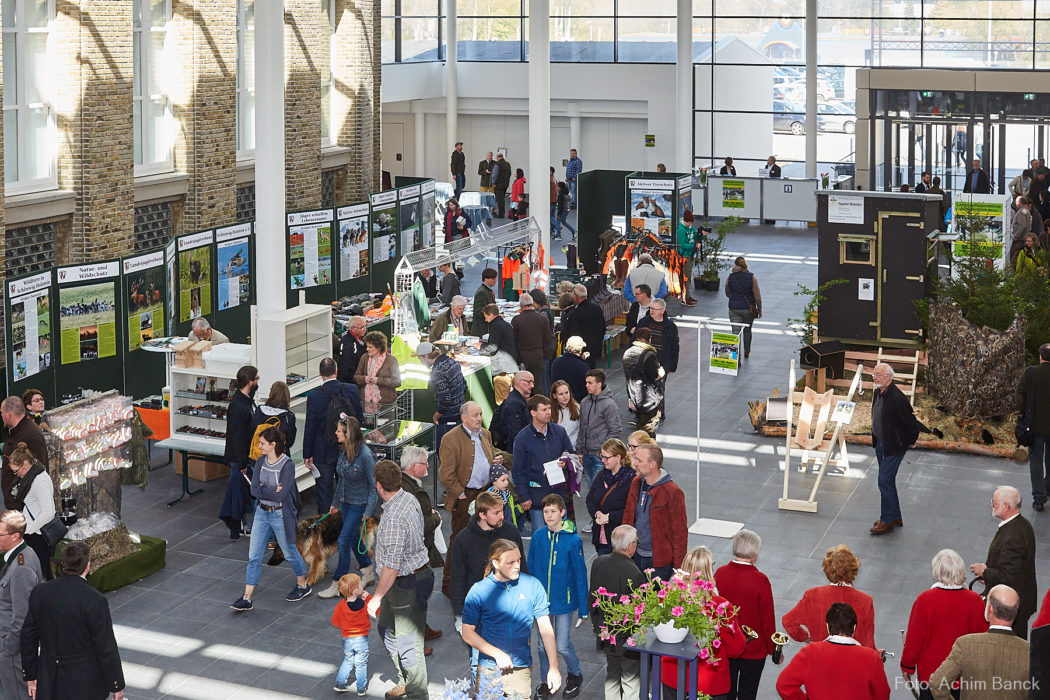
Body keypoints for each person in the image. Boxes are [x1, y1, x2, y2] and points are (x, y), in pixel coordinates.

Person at [20, 542, 125, 700]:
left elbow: (28, 636)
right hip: (85, 683)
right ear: (87, 565)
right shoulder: (95, 600)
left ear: (63, 563)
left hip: (49, 679)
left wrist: (30, 675)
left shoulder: (40, 592)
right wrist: (116, 684)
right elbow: (106, 646)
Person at [366, 460, 433, 700]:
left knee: (408, 646)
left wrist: (377, 597)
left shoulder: (393, 517)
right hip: (412, 577)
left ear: (378, 485)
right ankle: (406, 679)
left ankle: (417, 694)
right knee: (386, 629)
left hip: (406, 584)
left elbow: (392, 566)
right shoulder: (407, 497)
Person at [461, 539, 562, 697]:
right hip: (489, 668)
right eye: (510, 562)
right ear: (495, 563)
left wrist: (554, 667)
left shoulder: (532, 585)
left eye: (519, 560)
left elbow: (546, 628)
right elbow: (467, 633)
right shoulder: (479, 591)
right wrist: (497, 654)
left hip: (520, 668)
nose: (517, 566)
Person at [230, 427, 312, 610]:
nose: (259, 447)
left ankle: (302, 585)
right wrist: (268, 490)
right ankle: (247, 597)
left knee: (290, 552)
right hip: (261, 512)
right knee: (254, 556)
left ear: (273, 445)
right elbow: (254, 490)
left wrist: (262, 489)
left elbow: (279, 496)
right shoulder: (260, 462)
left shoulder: (287, 465)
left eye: (262, 444)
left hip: (279, 514)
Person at [901, 549, 988, 700]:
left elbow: (914, 639)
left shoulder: (924, 600)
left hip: (930, 675)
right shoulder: (975, 601)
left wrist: (907, 666)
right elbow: (982, 640)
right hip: (962, 676)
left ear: (937, 571)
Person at [661, 546, 747, 700]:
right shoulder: (720, 606)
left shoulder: (667, 598)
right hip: (709, 683)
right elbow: (736, 649)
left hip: (673, 678)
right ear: (709, 571)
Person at [527, 495, 587, 699]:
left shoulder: (573, 540)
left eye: (553, 511)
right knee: (542, 646)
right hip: (541, 603)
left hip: (564, 602)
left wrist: (583, 608)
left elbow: (580, 574)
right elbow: (532, 568)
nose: (549, 515)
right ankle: (547, 681)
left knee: (561, 644)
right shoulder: (538, 537)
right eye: (545, 512)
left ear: (562, 512)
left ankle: (575, 673)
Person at [439, 401, 502, 596]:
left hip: (484, 493)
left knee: (486, 537)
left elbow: (486, 458)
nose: (478, 418)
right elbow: (446, 472)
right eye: (474, 415)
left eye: (480, 414)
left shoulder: (486, 434)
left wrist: (495, 459)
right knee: (459, 539)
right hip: (465, 497)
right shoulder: (451, 438)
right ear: (463, 418)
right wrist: (461, 492)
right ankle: (449, 584)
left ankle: (480, 579)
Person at [928, 585, 1031, 700]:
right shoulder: (1030, 652)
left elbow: (937, 684)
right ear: (1015, 614)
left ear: (989, 609)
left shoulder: (965, 645)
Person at [868, 362, 933, 535]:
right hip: (881, 442)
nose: (875, 377)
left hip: (894, 445)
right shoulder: (878, 393)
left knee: (884, 480)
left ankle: (886, 520)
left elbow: (910, 422)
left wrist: (911, 440)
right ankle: (895, 516)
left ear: (889, 378)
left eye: (879, 375)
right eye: (874, 374)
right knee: (888, 481)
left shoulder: (897, 398)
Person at [775, 603, 890, 700]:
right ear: (854, 627)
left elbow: (784, 686)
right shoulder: (872, 658)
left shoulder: (810, 652)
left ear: (827, 626)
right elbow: (883, 695)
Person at [318, 416, 378, 598]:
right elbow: (342, 480)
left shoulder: (366, 456)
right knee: (352, 539)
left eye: (338, 430)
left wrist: (367, 512)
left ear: (348, 433)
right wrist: (336, 503)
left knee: (343, 541)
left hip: (359, 505)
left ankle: (338, 583)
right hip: (346, 502)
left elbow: (374, 486)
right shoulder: (345, 451)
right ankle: (367, 572)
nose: (335, 433)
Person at [715, 529, 778, 700]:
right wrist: (773, 649)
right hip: (754, 649)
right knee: (748, 693)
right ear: (754, 555)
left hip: (727, 645)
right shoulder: (760, 580)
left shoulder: (720, 573)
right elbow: (767, 619)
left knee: (727, 692)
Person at [449, 491, 528, 627]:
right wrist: (460, 615)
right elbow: (457, 579)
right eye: (496, 513)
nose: (502, 516)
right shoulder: (463, 540)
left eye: (502, 511)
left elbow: (522, 567)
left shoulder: (511, 532)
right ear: (482, 514)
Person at [968, 486, 1038, 639]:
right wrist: (988, 576)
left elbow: (1008, 576)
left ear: (1006, 507)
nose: (992, 506)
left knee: (1011, 647)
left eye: (994, 503)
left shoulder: (1012, 536)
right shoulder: (1022, 525)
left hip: (1011, 605)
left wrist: (984, 572)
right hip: (1019, 597)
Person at [782, 544, 876, 649]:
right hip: (853, 660)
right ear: (853, 568)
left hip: (821, 657)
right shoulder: (865, 601)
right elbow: (869, 643)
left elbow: (788, 621)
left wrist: (805, 637)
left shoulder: (812, 595)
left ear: (827, 569)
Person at [589, 525, 643, 700]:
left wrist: (598, 626)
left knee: (612, 676)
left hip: (605, 632)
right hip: (626, 637)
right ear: (629, 546)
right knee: (630, 679)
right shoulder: (634, 572)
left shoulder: (598, 562)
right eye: (636, 541)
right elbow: (638, 610)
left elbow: (592, 597)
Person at [304, 357, 364, 515]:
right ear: (336, 372)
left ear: (319, 373)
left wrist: (307, 454)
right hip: (348, 449)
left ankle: (327, 529)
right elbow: (359, 418)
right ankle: (348, 524)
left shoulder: (315, 396)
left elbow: (310, 427)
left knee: (324, 493)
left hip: (322, 451)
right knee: (349, 490)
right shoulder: (351, 389)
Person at [622, 444, 687, 580]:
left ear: (653, 464)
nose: (635, 464)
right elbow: (628, 517)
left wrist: (678, 568)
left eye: (639, 460)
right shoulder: (636, 483)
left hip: (660, 562)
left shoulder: (672, 492)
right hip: (635, 555)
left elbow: (680, 533)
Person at [512, 395, 575, 532]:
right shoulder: (522, 438)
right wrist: (523, 496)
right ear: (533, 413)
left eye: (549, 408)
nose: (548, 412)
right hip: (536, 498)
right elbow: (518, 470)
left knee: (561, 537)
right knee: (541, 538)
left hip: (558, 495)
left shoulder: (559, 432)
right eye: (544, 409)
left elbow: (570, 453)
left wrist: (565, 461)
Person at [0, 511, 40, 700]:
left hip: (14, 650)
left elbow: (22, 616)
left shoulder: (21, 568)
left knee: (17, 694)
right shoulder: (21, 555)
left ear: (15, 536)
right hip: (14, 645)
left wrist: (8, 649)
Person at [218, 366, 259, 538]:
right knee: (240, 494)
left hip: (244, 457)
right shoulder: (238, 406)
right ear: (250, 382)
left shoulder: (246, 401)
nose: (258, 381)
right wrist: (242, 462)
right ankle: (241, 525)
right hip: (240, 459)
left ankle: (244, 524)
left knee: (242, 493)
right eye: (256, 379)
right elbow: (237, 437)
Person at [4, 444, 56, 581]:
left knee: (41, 573)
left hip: (38, 535)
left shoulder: (38, 481)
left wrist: (28, 530)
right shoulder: (32, 476)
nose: (16, 475)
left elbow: (48, 513)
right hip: (34, 532)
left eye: (16, 471)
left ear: (25, 465)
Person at [585, 439, 635, 556]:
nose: (603, 461)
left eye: (606, 458)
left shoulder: (631, 480)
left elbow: (632, 511)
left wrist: (609, 517)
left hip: (621, 540)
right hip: (601, 537)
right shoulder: (601, 475)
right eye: (602, 456)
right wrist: (597, 514)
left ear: (618, 457)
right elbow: (590, 499)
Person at [1018, 344, 1050, 512]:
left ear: (1040, 356)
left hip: (1035, 425)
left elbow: (1020, 394)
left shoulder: (1031, 372)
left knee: (1036, 461)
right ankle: (1049, 487)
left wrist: (1021, 414)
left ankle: (1039, 499)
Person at [416, 341, 466, 449]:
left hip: (448, 420)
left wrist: (436, 416)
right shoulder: (451, 361)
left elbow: (445, 400)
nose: (420, 362)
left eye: (420, 359)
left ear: (426, 356)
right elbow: (464, 385)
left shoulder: (437, 371)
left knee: (445, 454)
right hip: (459, 417)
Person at [578, 369, 623, 487]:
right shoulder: (584, 402)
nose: (586, 385)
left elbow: (615, 430)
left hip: (599, 457)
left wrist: (602, 452)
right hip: (586, 455)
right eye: (586, 382)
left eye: (590, 383)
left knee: (599, 489)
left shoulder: (609, 404)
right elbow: (582, 428)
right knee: (592, 489)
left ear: (599, 384)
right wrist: (580, 450)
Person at [1, 397, 48, 511]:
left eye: (2, 413)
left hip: (24, 507)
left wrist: (21, 505)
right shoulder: (16, 430)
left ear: (9, 414)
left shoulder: (31, 435)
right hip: (15, 503)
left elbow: (37, 473)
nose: (1, 416)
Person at [330, 572, 372, 695]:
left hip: (347, 639)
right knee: (361, 664)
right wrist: (368, 597)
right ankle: (361, 688)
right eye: (360, 585)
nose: (362, 586)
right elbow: (378, 609)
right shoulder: (364, 604)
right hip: (361, 639)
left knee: (348, 660)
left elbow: (335, 622)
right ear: (355, 591)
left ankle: (340, 684)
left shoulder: (340, 606)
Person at [622, 327, 665, 436]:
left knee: (640, 414)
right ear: (649, 339)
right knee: (648, 423)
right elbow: (655, 375)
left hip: (633, 391)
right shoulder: (648, 355)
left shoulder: (627, 352)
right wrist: (661, 373)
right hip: (648, 394)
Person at [511, 293, 556, 390]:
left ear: (521, 306)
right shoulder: (542, 319)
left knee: (523, 388)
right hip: (538, 358)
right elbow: (549, 339)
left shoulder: (516, 320)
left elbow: (513, 342)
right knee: (537, 386)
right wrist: (545, 354)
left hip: (523, 359)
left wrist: (517, 359)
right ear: (532, 303)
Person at [560, 283, 607, 368]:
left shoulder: (575, 313)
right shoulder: (597, 308)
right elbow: (603, 328)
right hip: (594, 350)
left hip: (580, 352)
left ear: (576, 296)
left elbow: (572, 334)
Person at [725, 256, 762, 360]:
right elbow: (757, 296)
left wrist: (733, 298)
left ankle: (735, 357)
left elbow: (727, 292)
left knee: (735, 334)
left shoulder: (731, 277)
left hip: (734, 309)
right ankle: (747, 351)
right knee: (747, 330)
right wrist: (759, 309)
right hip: (748, 309)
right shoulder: (752, 277)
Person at [354, 331, 401, 409]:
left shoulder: (391, 360)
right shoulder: (364, 358)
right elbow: (356, 377)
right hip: (366, 402)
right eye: (367, 346)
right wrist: (364, 378)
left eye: (370, 347)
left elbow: (397, 381)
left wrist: (379, 380)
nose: (367, 349)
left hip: (386, 404)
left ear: (379, 348)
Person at [635, 298, 680, 376]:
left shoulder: (670, 326)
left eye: (655, 309)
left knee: (658, 387)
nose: (652, 311)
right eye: (651, 308)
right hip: (644, 361)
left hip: (661, 362)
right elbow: (634, 341)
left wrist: (672, 366)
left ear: (662, 311)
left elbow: (674, 347)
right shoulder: (643, 322)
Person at [492, 371, 533, 449]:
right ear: (520, 382)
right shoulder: (515, 403)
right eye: (529, 382)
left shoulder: (516, 399)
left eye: (532, 382)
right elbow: (515, 433)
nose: (532, 385)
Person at [478, 304, 518, 376]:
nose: (485, 320)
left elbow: (493, 347)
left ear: (491, 315)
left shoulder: (496, 326)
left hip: (503, 367)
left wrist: (481, 346)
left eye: (486, 317)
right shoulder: (506, 324)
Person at [257, 381, 297, 450]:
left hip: (258, 454)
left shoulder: (259, 410)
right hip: (280, 456)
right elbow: (290, 441)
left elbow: (252, 431)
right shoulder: (288, 416)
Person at [551, 336, 589, 402]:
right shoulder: (582, 366)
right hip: (576, 403)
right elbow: (585, 390)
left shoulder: (556, 362)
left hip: (558, 401)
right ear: (580, 350)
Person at [337, 316, 368, 384]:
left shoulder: (360, 340)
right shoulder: (347, 345)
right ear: (353, 329)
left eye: (365, 326)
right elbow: (346, 368)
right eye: (361, 327)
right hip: (350, 384)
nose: (364, 329)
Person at [550, 380, 580, 450]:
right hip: (555, 450)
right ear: (554, 396)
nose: (565, 396)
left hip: (573, 449)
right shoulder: (549, 410)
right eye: (561, 394)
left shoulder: (578, 408)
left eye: (567, 393)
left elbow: (581, 431)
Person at [677, 210, 699, 306]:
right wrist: (693, 246)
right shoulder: (681, 230)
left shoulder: (690, 227)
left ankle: (688, 296)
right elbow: (683, 244)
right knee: (686, 277)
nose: (691, 225)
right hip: (685, 256)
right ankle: (685, 298)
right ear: (685, 221)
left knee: (688, 277)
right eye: (689, 222)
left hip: (690, 255)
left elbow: (695, 236)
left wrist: (701, 236)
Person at [471, 268, 498, 336]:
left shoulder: (487, 290)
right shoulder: (482, 292)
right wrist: (492, 315)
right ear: (486, 279)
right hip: (482, 329)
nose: (495, 281)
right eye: (493, 279)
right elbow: (479, 311)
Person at [493, 152, 512, 218]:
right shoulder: (507, 164)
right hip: (505, 184)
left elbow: (494, 175)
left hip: (498, 185)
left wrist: (494, 183)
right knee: (502, 198)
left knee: (499, 199)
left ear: (497, 157)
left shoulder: (497, 164)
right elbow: (509, 174)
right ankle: (502, 212)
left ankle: (501, 213)